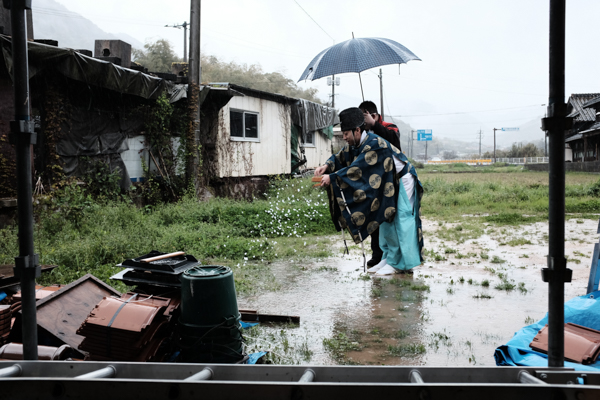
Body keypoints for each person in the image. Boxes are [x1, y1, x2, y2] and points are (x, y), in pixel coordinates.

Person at [314, 107, 423, 276]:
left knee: (399, 220)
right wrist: (327, 166)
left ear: (357, 130)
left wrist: (333, 178)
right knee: (384, 217)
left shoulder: (375, 144)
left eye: (346, 134)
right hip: (389, 181)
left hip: (402, 179)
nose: (344, 138)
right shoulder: (357, 144)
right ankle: (388, 258)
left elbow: (358, 169)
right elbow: (340, 156)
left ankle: (400, 263)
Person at [359, 100, 401, 267]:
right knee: (373, 218)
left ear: (373, 115)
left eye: (364, 118)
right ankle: (377, 255)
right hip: (373, 182)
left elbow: (395, 144)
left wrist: (374, 125)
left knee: (390, 219)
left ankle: (392, 256)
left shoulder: (390, 127)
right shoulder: (365, 134)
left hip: (390, 180)